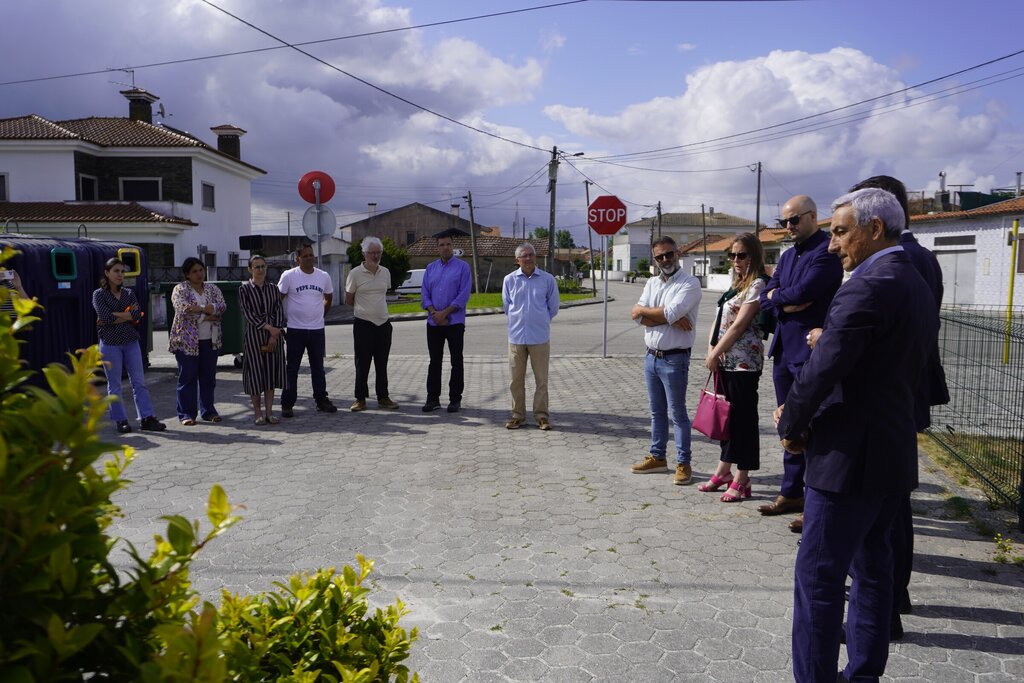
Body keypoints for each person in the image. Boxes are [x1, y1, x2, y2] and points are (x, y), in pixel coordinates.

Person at [776, 187, 937, 683]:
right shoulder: (913, 278)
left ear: (875, 229)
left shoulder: (867, 285)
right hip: (891, 451)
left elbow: (823, 371)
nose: (832, 244)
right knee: (873, 572)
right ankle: (864, 674)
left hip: (846, 461)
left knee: (819, 581)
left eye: (841, 232)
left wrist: (791, 424)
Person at [846, 175, 948, 637]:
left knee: (889, 508)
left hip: (891, 397)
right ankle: (887, 597)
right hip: (902, 394)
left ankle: (884, 605)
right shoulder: (917, 256)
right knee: (892, 501)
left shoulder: (904, 259)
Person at [758, 195, 843, 530]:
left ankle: (814, 503)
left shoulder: (826, 251)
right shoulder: (788, 255)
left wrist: (778, 298)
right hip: (783, 351)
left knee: (814, 429)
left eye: (794, 220)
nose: (789, 226)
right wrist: (781, 301)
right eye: (784, 222)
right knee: (788, 425)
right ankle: (791, 492)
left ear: (812, 216)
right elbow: (768, 296)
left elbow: (804, 291)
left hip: (809, 353)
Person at [697, 233, 767, 501]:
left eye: (741, 255)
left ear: (754, 256)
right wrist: (711, 350)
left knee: (744, 421)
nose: (736, 260)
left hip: (743, 363)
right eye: (732, 255)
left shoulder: (758, 285)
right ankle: (723, 470)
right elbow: (719, 322)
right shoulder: (735, 286)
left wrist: (716, 351)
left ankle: (742, 477)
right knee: (727, 418)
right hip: (725, 361)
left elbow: (739, 326)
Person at [630, 236, 702, 485]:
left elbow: (665, 312)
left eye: (669, 254)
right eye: (659, 257)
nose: (665, 260)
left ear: (677, 253)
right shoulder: (652, 283)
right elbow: (636, 316)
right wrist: (667, 317)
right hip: (651, 357)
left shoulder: (690, 283)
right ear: (655, 259)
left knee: (678, 414)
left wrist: (651, 313)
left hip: (675, 359)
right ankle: (658, 457)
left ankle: (684, 463)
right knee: (656, 412)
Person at [92, 257, 166, 434]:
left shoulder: (129, 293)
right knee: (115, 384)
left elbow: (137, 315)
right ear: (107, 273)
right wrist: (125, 316)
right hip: (110, 344)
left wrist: (116, 316)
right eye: (116, 271)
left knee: (139, 382)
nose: (120, 275)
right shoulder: (99, 294)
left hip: (131, 342)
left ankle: (147, 418)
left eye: (122, 271)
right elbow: (105, 317)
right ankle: (121, 420)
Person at [501, 242, 559, 430]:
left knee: (541, 380)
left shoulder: (547, 280)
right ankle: (518, 415)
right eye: (524, 256)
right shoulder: (509, 280)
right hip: (516, 338)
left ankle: (541, 416)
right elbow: (507, 306)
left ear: (536, 257)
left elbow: (553, 307)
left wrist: (540, 320)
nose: (528, 258)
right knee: (515, 380)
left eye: (531, 255)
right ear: (517, 260)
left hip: (539, 338)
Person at [278, 241, 337, 417]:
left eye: (311, 255)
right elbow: (278, 299)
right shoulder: (289, 276)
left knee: (318, 367)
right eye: (305, 256)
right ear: (298, 259)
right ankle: (287, 403)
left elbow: (328, 297)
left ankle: (321, 399)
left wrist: (320, 314)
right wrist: (279, 322)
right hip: (295, 329)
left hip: (317, 329)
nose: (309, 258)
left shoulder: (323, 276)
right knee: (292, 368)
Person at [169, 257, 226, 426]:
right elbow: (183, 309)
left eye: (201, 270)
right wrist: (206, 312)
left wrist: (210, 310)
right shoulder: (180, 289)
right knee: (188, 378)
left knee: (208, 378)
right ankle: (186, 413)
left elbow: (222, 306)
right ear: (187, 274)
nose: (199, 274)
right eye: (194, 271)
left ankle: (208, 411)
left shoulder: (212, 289)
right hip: (187, 342)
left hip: (210, 340)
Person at [421, 229, 471, 413]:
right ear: (437, 248)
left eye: (448, 244)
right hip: (434, 323)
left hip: (454, 322)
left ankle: (455, 400)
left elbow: (463, 295)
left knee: (456, 361)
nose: (445, 247)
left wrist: (445, 313)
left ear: (453, 246)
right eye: (442, 245)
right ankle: (432, 399)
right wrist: (435, 313)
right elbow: (424, 293)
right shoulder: (430, 268)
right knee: (434, 361)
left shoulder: (463, 268)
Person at [345, 236, 398, 412]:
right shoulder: (355, 273)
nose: (375, 256)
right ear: (364, 254)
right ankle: (360, 399)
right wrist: (365, 310)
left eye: (378, 253)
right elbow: (349, 299)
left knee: (382, 363)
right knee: (362, 363)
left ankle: (383, 397)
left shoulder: (385, 272)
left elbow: (384, 293)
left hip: (383, 324)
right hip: (363, 324)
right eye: (372, 253)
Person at [239, 255, 286, 425]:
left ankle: (269, 413)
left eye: (263, 266)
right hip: (255, 334)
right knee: (255, 374)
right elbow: (248, 313)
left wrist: (274, 333)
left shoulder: (273, 288)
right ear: (250, 269)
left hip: (273, 334)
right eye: (257, 267)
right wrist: (268, 327)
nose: (260, 270)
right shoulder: (244, 289)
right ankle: (257, 413)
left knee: (270, 373)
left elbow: (279, 310)